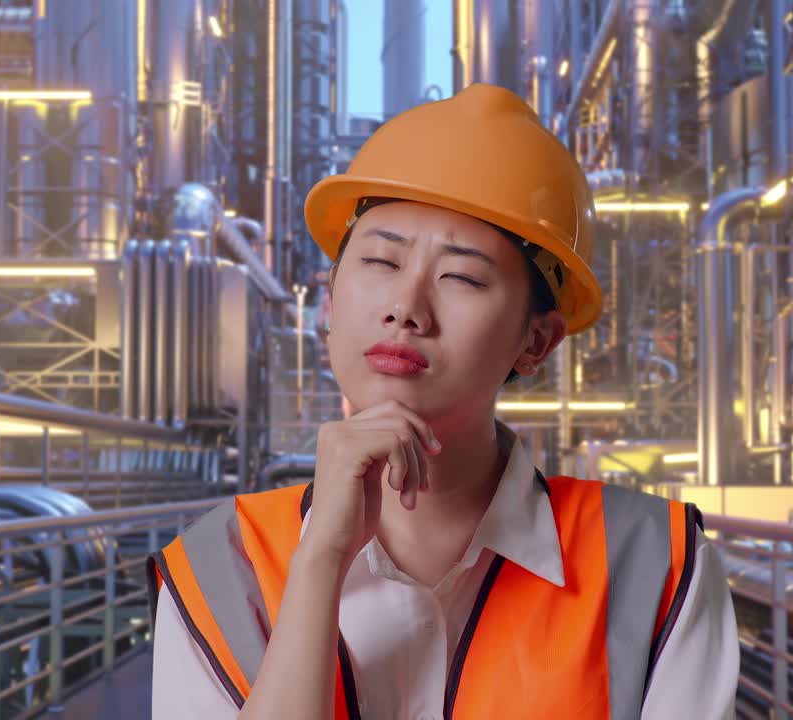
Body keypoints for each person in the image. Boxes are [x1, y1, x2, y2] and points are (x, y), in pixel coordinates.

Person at [149, 83, 738, 719]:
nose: (406, 308)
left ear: (535, 341)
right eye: (381, 261)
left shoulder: (654, 567)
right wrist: (320, 560)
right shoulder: (220, 567)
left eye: (461, 276)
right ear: (331, 298)